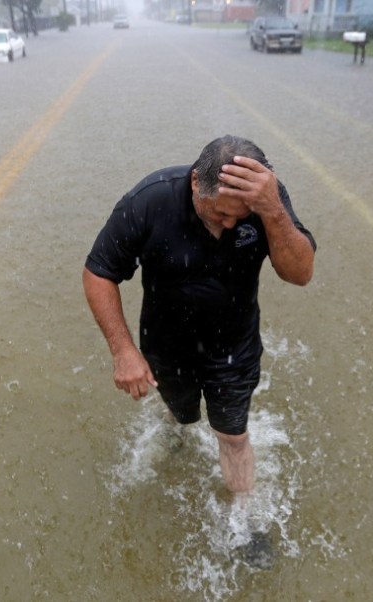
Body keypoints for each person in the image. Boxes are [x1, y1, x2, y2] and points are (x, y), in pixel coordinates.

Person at [82, 135, 316, 499]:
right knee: (181, 415)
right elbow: (99, 272)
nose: (227, 224)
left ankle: (245, 515)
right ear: (195, 181)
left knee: (233, 438)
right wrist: (123, 351)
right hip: (166, 344)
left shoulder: (266, 200)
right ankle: (177, 428)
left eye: (239, 217)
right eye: (219, 212)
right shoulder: (151, 200)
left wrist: (271, 211)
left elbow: (300, 274)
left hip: (234, 345)